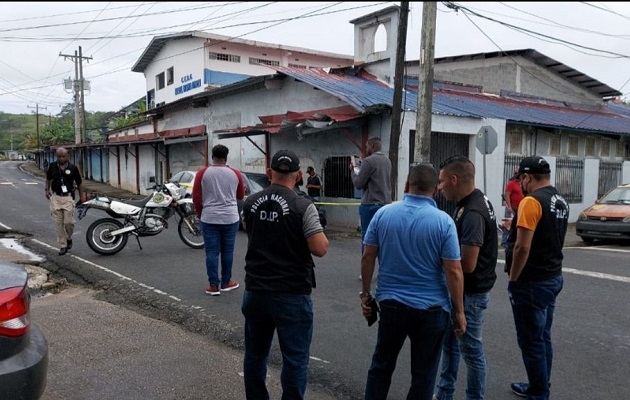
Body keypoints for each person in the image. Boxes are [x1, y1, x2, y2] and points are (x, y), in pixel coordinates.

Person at [360, 163, 466, 400]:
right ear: (435, 191)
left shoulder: (383, 214)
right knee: (424, 374)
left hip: (391, 306)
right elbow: (454, 271)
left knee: (381, 366)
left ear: (407, 185)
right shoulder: (444, 222)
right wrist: (459, 311)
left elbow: (368, 256)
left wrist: (365, 295)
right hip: (432, 310)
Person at [240, 149, 329, 400]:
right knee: (295, 358)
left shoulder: (250, 203)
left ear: (269, 173)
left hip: (256, 289)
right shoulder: (303, 206)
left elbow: (250, 229)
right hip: (291, 293)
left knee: (255, 354)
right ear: (299, 175)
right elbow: (319, 248)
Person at [434, 156, 498, 400]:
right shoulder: (472, 202)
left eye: (441, 182)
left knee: (471, 352)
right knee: (451, 347)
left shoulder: (472, 212)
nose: (439, 187)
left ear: (454, 179)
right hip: (464, 292)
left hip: (471, 294)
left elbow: (468, 264)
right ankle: (444, 393)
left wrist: (440, 263)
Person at [505, 156, 569, 400]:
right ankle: (540, 384)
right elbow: (547, 232)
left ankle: (539, 392)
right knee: (543, 337)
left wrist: (513, 278)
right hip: (552, 276)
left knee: (531, 341)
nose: (520, 183)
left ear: (527, 177)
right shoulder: (560, 200)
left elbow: (522, 248)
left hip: (531, 282)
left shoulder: (531, 201)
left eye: (521, 178)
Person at [192, 144, 245, 296]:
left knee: (212, 252)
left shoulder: (203, 173)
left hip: (209, 217)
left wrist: (201, 213)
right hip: (230, 217)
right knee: (228, 251)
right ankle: (226, 282)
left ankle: (213, 286)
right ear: (226, 157)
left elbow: (196, 196)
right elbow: (240, 195)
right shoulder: (235, 173)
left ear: (212, 156)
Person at [349, 136, 392, 250]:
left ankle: (367, 264)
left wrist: (353, 171)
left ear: (372, 146)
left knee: (367, 237)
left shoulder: (368, 161)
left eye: (367, 146)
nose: (366, 149)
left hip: (370, 205)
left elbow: (359, 184)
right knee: (383, 237)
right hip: (385, 204)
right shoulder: (387, 161)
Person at [44, 147, 85, 256]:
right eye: (59, 156)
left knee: (69, 223)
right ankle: (63, 245)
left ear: (67, 155)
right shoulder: (52, 166)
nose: (61, 158)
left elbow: (79, 183)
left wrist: (82, 197)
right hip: (56, 197)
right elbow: (48, 179)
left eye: (63, 156)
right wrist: (47, 190)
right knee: (58, 224)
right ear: (56, 156)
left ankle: (69, 238)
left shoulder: (73, 168)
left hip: (68, 198)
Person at [502, 167, 524, 248]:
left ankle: (513, 241)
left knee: (516, 225)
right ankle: (504, 242)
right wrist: (509, 206)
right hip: (512, 207)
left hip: (519, 207)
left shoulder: (521, 184)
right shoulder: (511, 183)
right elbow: (507, 195)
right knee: (507, 225)